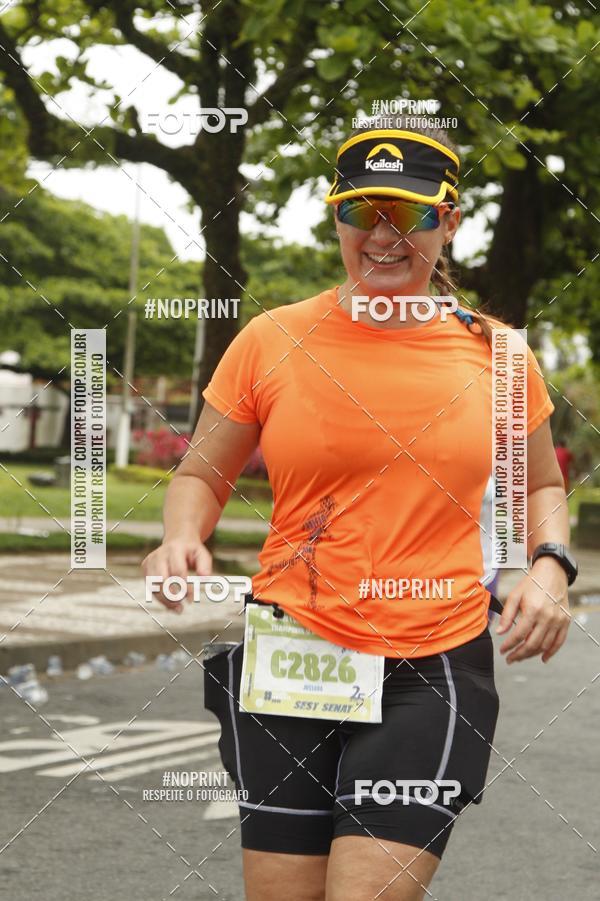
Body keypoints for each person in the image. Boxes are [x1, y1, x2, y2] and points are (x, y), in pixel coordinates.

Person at [142, 116, 575, 901]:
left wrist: (549, 566)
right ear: (334, 214)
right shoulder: (272, 341)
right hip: (292, 658)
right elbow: (200, 475)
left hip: (432, 659)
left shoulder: (500, 357)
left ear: (450, 218)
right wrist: (179, 537)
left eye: (408, 214)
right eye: (359, 212)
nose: (383, 235)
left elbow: (540, 486)